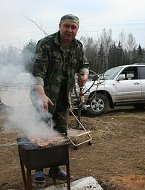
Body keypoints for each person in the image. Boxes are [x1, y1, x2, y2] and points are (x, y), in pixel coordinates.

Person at [31, 14, 89, 183]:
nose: (70, 30)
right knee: (41, 131)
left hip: (64, 97)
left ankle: (55, 169)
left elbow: (83, 64)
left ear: (77, 29)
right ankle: (39, 170)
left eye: (73, 27)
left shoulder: (78, 46)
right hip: (43, 95)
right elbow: (37, 73)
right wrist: (41, 95)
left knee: (60, 133)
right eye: (67, 26)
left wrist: (84, 73)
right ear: (60, 26)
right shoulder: (46, 44)